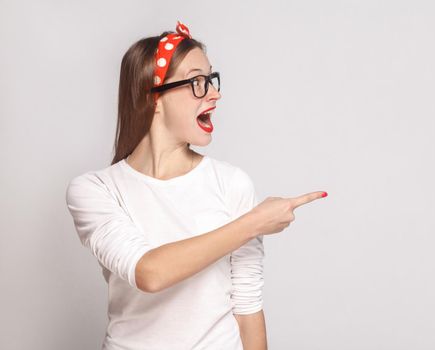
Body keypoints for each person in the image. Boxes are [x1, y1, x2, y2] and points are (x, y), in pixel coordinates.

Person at [65, 20, 328, 350]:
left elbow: (247, 309)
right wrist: (254, 222)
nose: (214, 94)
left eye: (211, 80)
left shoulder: (231, 183)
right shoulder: (95, 190)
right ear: (154, 96)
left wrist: (250, 222)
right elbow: (149, 272)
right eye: (197, 82)